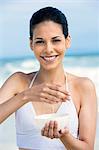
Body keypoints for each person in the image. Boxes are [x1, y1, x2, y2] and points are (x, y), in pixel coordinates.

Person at [0, 6, 97, 150]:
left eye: (55, 40)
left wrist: (64, 137)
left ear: (67, 41)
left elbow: (87, 148)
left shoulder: (83, 86)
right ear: (31, 44)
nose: (48, 49)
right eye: (40, 41)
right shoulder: (18, 82)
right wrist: (26, 96)